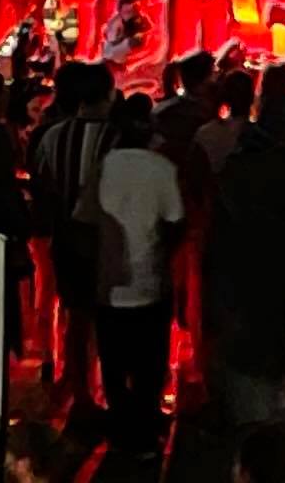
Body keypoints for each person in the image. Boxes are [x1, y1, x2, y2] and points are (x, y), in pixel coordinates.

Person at [90, 91, 187, 455]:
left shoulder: (103, 165)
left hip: (108, 282)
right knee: (149, 367)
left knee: (113, 366)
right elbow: (177, 221)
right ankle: (145, 435)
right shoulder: (162, 169)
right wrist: (162, 252)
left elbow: (85, 218)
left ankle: (120, 433)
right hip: (149, 279)